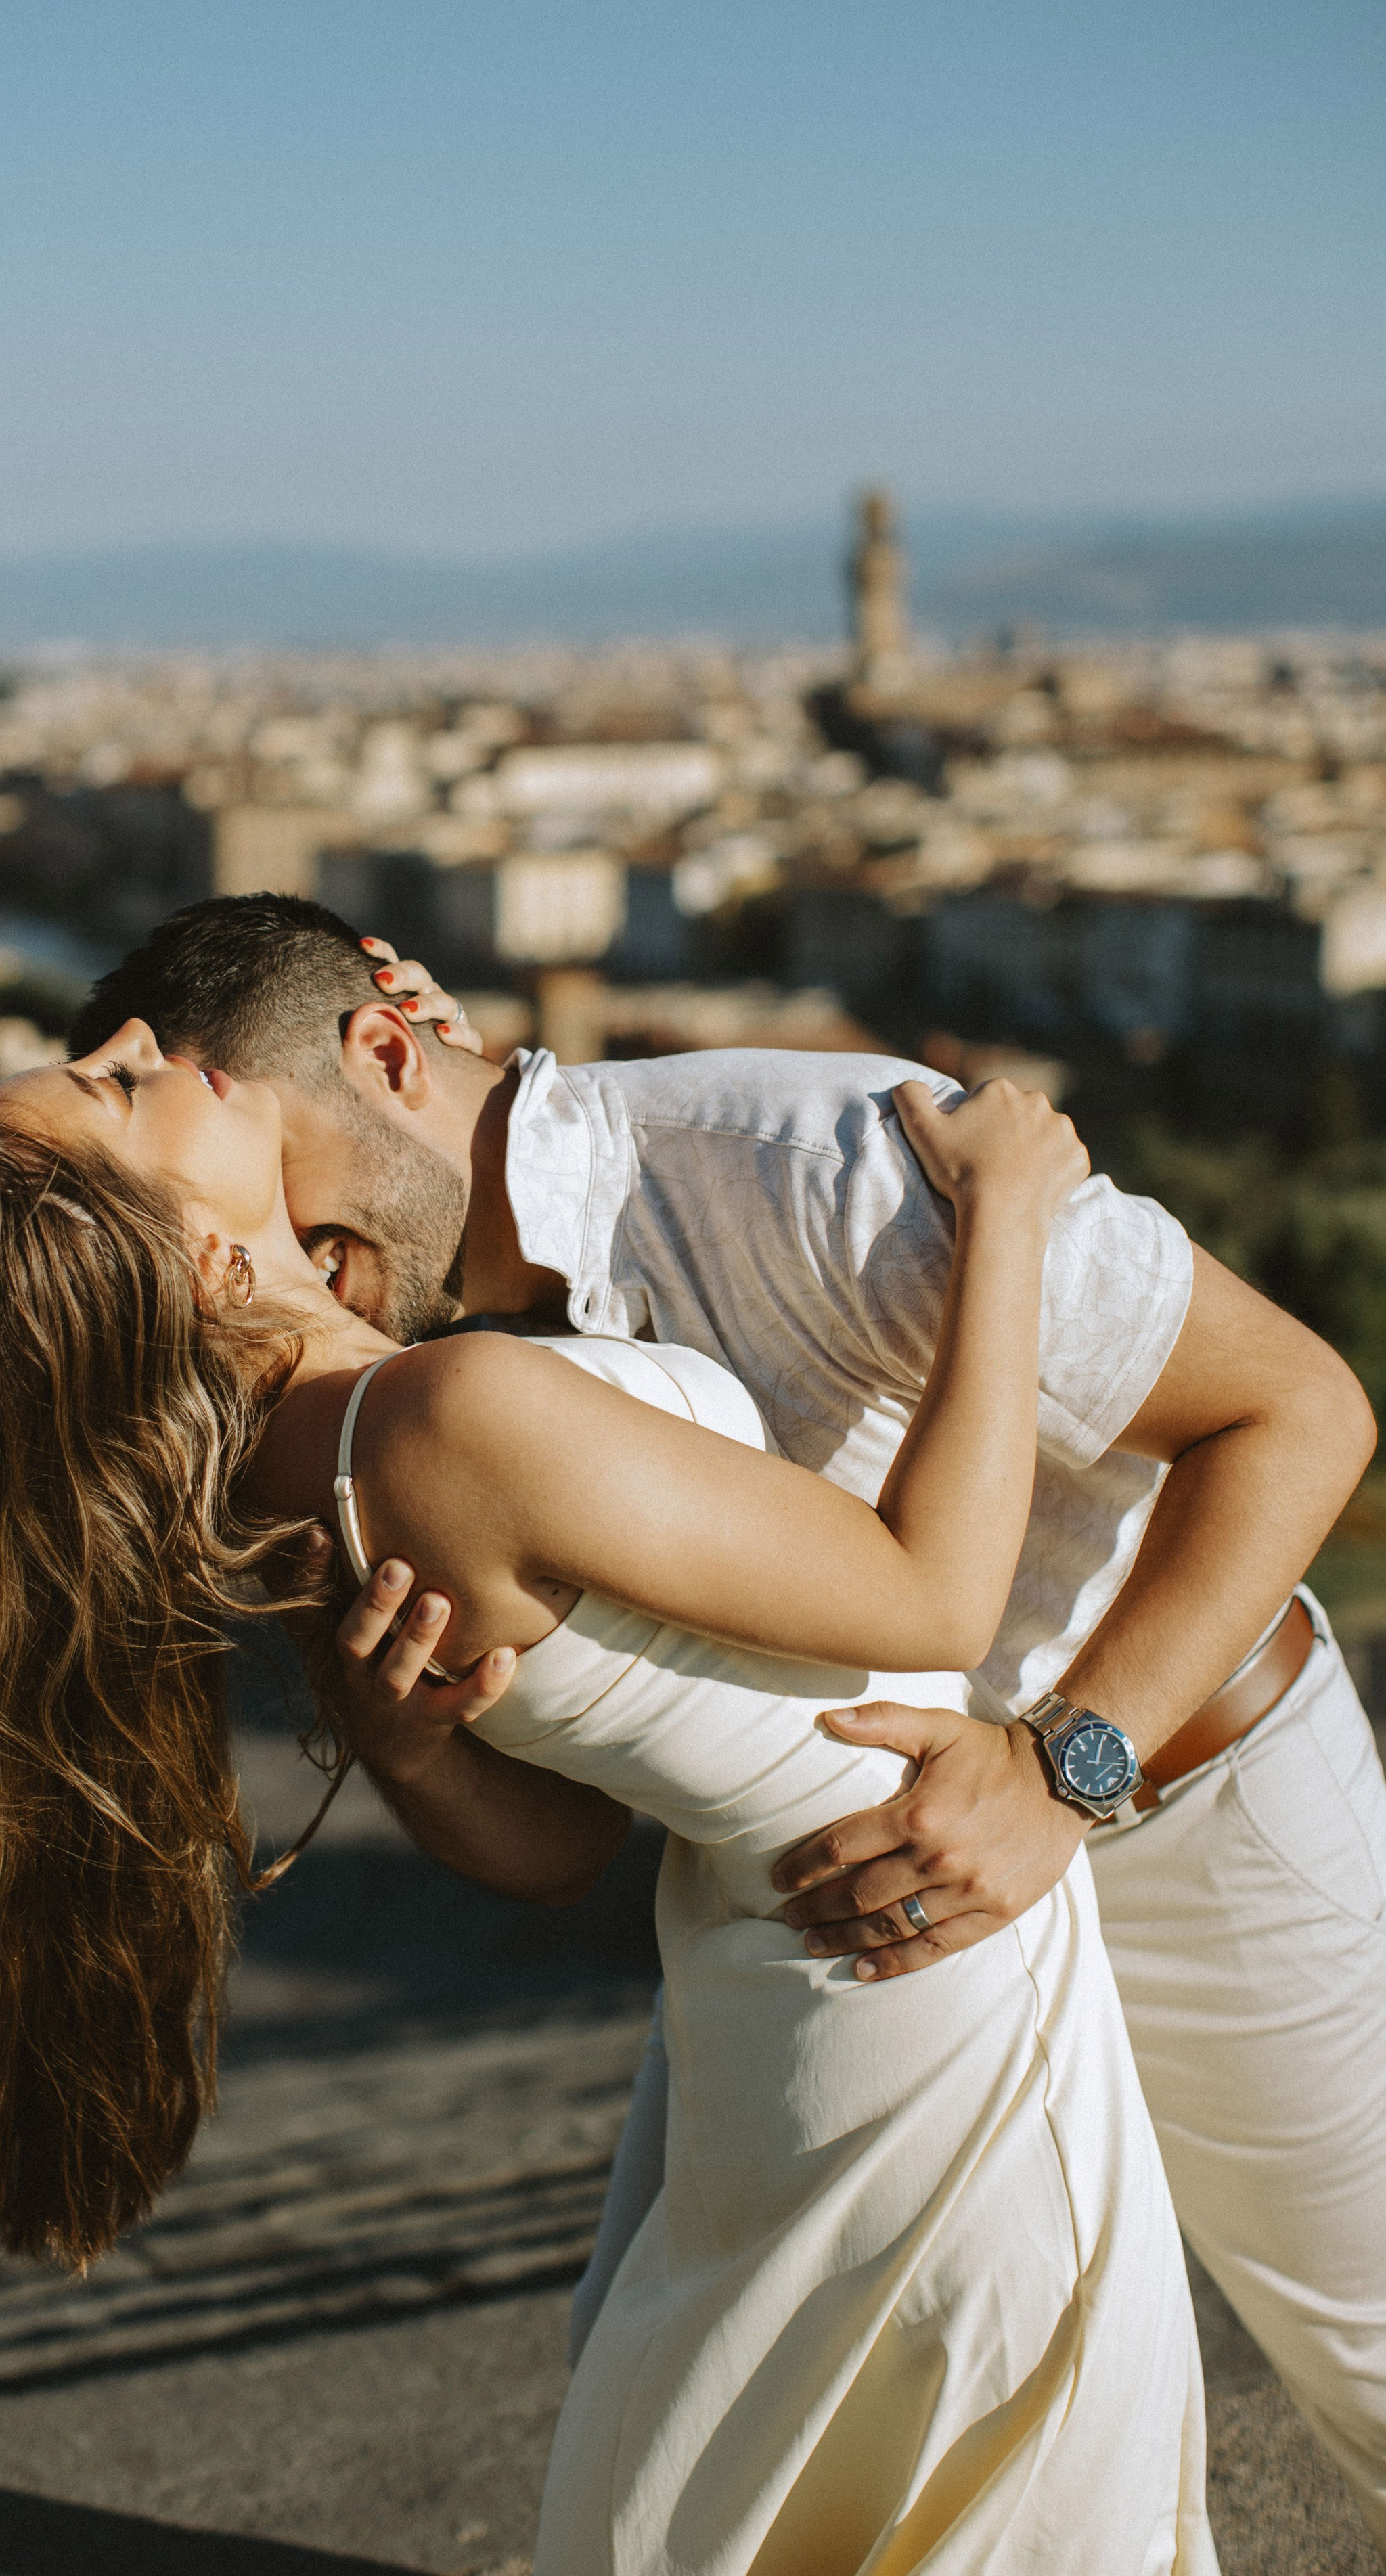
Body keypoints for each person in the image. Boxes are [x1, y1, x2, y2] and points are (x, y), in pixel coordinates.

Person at [0, 1016, 1214, 2573]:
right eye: (110, 1084)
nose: (139, 1035)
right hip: (921, 1972)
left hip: (777, 1970)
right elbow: (933, 1603)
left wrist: (411, 1749)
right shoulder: (446, 1420)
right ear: (184, 1257)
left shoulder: (297, 1463)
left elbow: (562, 1850)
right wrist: (1008, 1222)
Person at [69, 890, 1386, 2545]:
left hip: (1180, 1801)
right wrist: (409, 1746)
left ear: (388, 1052)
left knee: (1364, 2346)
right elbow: (567, 1853)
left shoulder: (811, 1158)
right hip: (855, 1916)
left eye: (296, 1195)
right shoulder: (402, 1381)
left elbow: (1301, 1408)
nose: (299, 1259)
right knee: (688, 2398)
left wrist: (1062, 1774)